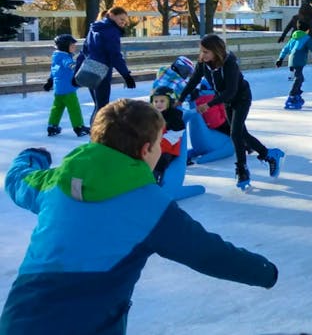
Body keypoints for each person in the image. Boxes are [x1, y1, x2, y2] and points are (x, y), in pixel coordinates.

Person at [0, 99, 278, 334]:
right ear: (146, 149)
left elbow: (17, 181)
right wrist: (264, 272)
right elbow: (207, 253)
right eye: (159, 143)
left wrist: (32, 156)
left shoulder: (56, 182)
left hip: (19, 319)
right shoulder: (150, 206)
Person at [180, 34, 285, 190]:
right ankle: (269, 154)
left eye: (206, 52)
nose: (202, 55)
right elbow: (193, 81)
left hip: (241, 98)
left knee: (235, 133)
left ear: (216, 52)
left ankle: (241, 169)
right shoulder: (203, 64)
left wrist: (209, 104)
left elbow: (231, 91)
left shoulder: (229, 64)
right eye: (201, 51)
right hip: (226, 100)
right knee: (241, 133)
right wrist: (180, 98)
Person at [77, 7, 136, 124]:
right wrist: (126, 75)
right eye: (121, 19)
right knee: (102, 107)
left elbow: (84, 51)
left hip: (89, 69)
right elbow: (115, 55)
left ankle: (94, 133)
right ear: (112, 15)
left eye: (125, 21)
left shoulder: (94, 28)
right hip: (102, 71)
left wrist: (77, 72)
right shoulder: (111, 31)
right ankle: (98, 134)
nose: (123, 23)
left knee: (98, 106)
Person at [43, 34, 90, 138]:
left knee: (57, 108)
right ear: (65, 46)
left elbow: (53, 71)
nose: (75, 47)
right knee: (74, 109)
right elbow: (69, 64)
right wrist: (76, 66)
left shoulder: (56, 57)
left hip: (58, 89)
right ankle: (79, 127)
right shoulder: (65, 57)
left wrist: (50, 82)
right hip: (68, 89)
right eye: (72, 45)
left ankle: (52, 126)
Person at [276, 21, 312, 109]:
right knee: (298, 78)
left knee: (300, 78)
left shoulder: (294, 38)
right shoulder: (306, 38)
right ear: (307, 30)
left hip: (292, 60)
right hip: (299, 61)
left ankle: (296, 94)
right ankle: (292, 95)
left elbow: (285, 49)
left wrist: (280, 59)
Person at [149, 86, 186, 185]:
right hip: (152, 146)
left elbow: (176, 133)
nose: (158, 104)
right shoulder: (152, 115)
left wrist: (159, 145)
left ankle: (156, 180)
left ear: (170, 101)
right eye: (156, 101)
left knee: (160, 160)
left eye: (162, 101)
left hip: (168, 149)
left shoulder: (173, 116)